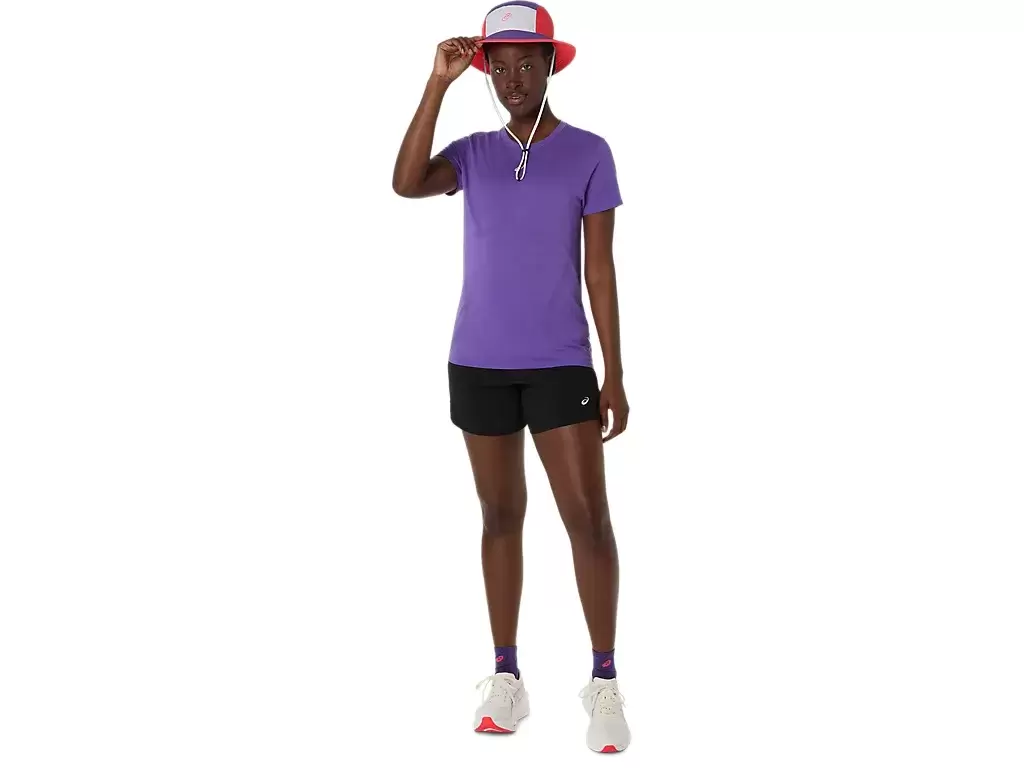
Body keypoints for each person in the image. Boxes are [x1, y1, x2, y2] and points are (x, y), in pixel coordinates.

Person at [391, 2, 630, 754]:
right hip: (479, 363)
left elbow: (599, 270)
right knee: (499, 517)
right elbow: (405, 182)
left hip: (561, 362)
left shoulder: (590, 153)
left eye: (528, 63)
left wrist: (615, 372)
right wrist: (438, 83)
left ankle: (604, 681)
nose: (514, 78)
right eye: (499, 66)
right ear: (485, 72)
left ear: (551, 65)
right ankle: (506, 676)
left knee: (587, 519)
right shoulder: (471, 155)